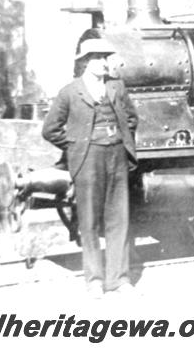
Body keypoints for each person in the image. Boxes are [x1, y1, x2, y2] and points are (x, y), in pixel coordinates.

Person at [42, 38, 138, 298]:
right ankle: (94, 280)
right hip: (87, 159)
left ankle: (120, 280)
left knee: (119, 220)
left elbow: (131, 119)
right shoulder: (69, 92)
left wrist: (121, 141)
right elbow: (50, 130)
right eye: (98, 57)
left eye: (106, 57)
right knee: (89, 221)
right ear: (85, 61)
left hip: (117, 156)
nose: (104, 62)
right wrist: (76, 145)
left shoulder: (117, 86)